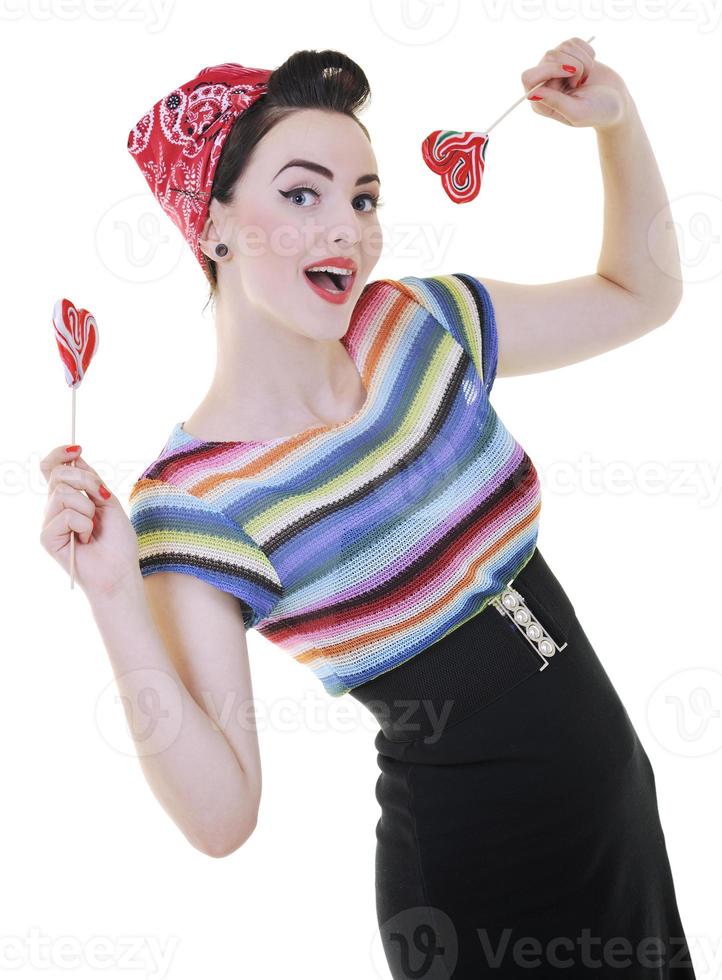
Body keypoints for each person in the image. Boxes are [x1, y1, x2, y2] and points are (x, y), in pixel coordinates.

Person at [40, 44, 695, 978]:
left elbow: (643, 293)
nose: (346, 228)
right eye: (302, 194)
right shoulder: (194, 500)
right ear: (213, 223)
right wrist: (111, 592)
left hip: (620, 836)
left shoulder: (412, 326)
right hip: (482, 896)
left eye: (364, 197)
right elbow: (222, 818)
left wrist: (620, 126)